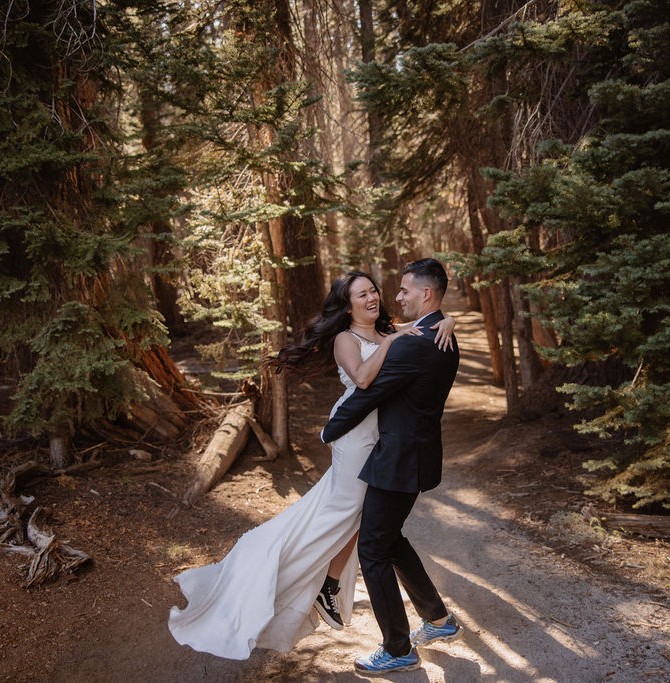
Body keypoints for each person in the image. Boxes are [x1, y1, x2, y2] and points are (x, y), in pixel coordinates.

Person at [167, 270, 454, 660]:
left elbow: (425, 320)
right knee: (346, 517)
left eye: (374, 291)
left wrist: (445, 319)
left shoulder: (390, 328)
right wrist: (331, 427)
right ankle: (286, 572)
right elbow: (364, 381)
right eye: (361, 295)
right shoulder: (346, 338)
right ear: (346, 304)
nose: (373, 298)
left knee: (373, 531)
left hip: (380, 442)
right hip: (356, 436)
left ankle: (343, 591)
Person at [321, 258, 462, 675]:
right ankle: (438, 620)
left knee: (373, 548)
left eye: (404, 290)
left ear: (426, 294)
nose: (394, 297)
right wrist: (449, 318)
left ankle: (397, 647)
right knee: (389, 537)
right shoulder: (443, 335)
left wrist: (332, 430)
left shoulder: (415, 343)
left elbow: (369, 394)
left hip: (397, 460)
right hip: (414, 455)